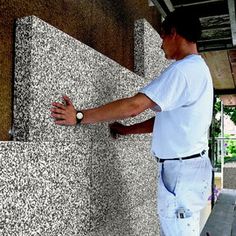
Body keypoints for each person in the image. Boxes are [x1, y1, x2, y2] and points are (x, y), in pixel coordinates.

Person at [51, 8, 213, 236]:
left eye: (162, 37)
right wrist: (128, 131)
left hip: (181, 174)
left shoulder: (183, 71)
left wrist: (79, 116)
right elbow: (169, 122)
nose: (160, 46)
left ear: (174, 33)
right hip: (187, 170)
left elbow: (133, 107)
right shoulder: (199, 70)